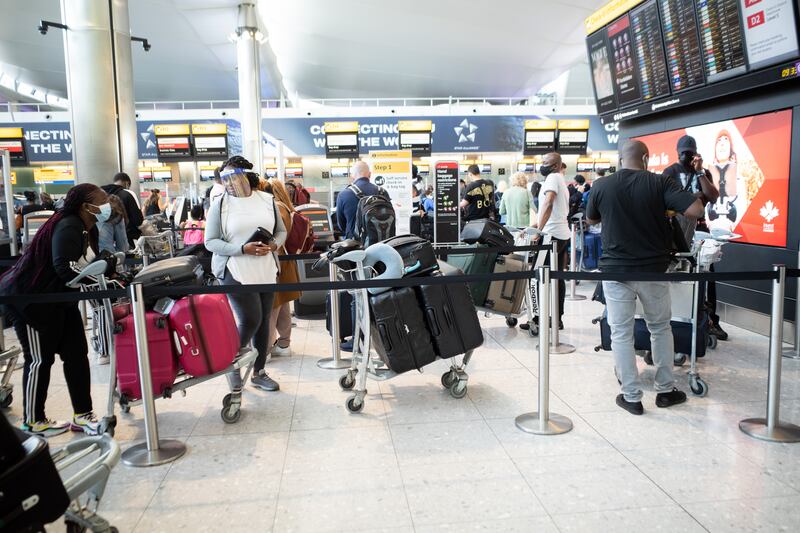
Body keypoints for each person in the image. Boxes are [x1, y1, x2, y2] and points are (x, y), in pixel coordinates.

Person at [586, 140, 704, 415]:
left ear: (619, 159)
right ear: (647, 158)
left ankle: (631, 397)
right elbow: (696, 211)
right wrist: (668, 208)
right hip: (653, 270)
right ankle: (665, 391)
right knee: (660, 328)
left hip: (615, 271)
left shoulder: (602, 185)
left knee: (621, 333)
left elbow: (591, 220)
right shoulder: (660, 183)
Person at [0, 183, 111, 436]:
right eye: (102, 200)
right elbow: (65, 266)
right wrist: (99, 281)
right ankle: (33, 421)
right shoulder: (69, 224)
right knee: (40, 359)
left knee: (76, 354)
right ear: (86, 206)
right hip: (31, 301)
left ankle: (83, 415)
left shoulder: (87, 227)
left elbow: (85, 263)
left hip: (60, 299)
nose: (107, 204)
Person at [205, 155, 286, 392]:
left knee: (262, 323)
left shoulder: (266, 199)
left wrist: (273, 245)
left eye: (234, 176)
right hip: (235, 269)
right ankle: (230, 363)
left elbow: (280, 231)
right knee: (251, 319)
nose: (230, 182)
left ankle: (259, 372)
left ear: (247, 175)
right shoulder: (220, 205)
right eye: (225, 178)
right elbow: (210, 242)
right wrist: (241, 249)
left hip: (266, 269)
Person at [661, 135, 725, 340]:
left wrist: (699, 173)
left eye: (691, 152)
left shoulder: (702, 172)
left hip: (699, 230)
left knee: (708, 273)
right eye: (684, 152)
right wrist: (693, 198)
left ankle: (710, 319)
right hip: (675, 230)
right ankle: (676, 320)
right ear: (677, 151)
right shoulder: (670, 171)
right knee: (676, 277)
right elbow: (667, 200)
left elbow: (713, 196)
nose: (687, 156)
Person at [533, 153, 571, 329]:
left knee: (539, 277)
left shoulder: (552, 178)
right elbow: (550, 209)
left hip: (550, 235)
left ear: (556, 165)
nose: (542, 165)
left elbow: (548, 203)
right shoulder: (560, 179)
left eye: (546, 163)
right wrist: (534, 225)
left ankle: (540, 319)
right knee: (557, 277)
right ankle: (557, 318)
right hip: (561, 234)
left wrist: (538, 231)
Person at [265, 178, 301, 357]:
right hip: (286, 259)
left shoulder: (275, 208)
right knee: (283, 303)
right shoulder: (286, 207)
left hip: (276, 259)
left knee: (272, 306)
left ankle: (266, 349)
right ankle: (284, 344)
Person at [335, 160, 381, 240]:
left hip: (353, 246)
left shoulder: (343, 195)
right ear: (370, 174)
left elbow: (341, 226)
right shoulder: (382, 192)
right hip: (378, 244)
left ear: (352, 176)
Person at [101, 172, 144, 246]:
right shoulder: (127, 194)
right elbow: (138, 220)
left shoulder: (102, 194)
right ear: (127, 183)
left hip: (107, 239)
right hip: (128, 238)